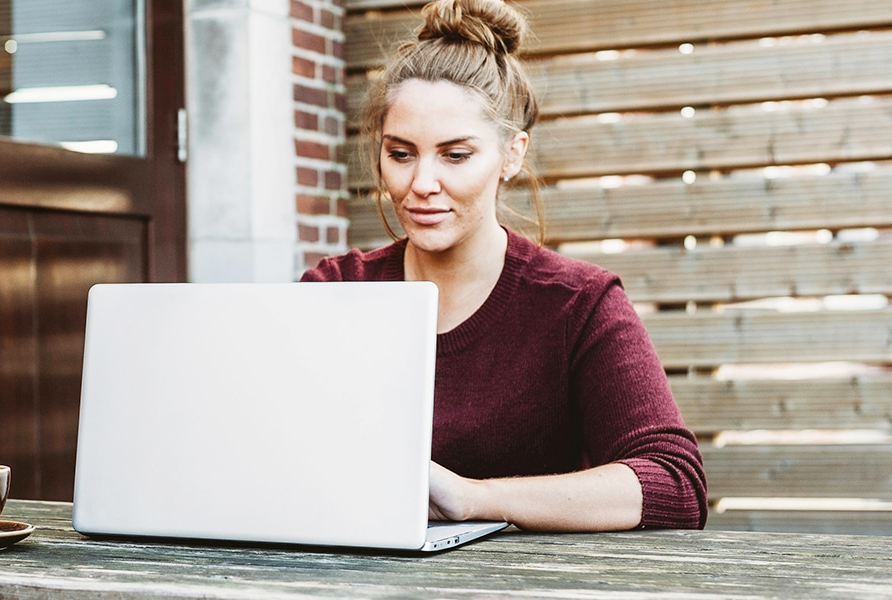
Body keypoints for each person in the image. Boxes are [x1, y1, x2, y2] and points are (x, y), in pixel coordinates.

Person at [301, 0, 707, 531]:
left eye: (456, 155)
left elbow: (675, 485)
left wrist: (473, 499)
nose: (421, 183)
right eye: (401, 154)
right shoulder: (334, 290)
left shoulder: (579, 304)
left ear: (512, 155)